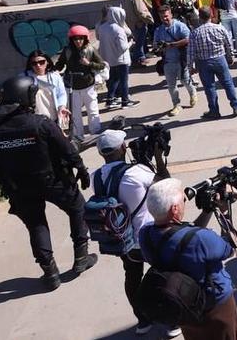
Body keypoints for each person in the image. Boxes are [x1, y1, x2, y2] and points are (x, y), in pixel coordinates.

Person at [0, 76, 98, 290]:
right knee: (77, 208)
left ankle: (50, 272)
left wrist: (10, 188)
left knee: (36, 225)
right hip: (53, 181)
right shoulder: (41, 124)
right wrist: (81, 170)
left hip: (21, 189)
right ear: (25, 98)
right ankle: (81, 256)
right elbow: (68, 150)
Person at [139, 178, 237, 340]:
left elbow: (183, 237)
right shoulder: (201, 239)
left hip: (183, 304)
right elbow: (230, 246)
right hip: (214, 307)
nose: (185, 202)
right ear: (174, 209)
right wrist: (224, 212)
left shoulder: (145, 234)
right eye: (183, 199)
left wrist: (207, 211)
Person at [91, 130, 168, 336]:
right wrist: (158, 158)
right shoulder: (136, 172)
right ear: (123, 148)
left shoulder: (95, 177)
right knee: (166, 274)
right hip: (148, 237)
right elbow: (165, 185)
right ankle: (171, 321)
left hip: (122, 239)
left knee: (132, 277)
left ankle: (143, 320)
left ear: (101, 153)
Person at [188, 8, 237, 119]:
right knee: (228, 83)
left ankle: (214, 111)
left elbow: (190, 52)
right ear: (211, 15)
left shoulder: (195, 33)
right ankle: (236, 106)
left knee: (209, 87)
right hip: (220, 59)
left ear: (200, 17)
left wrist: (191, 67)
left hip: (203, 63)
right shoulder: (219, 28)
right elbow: (228, 44)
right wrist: (230, 57)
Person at [55, 24, 106, 141]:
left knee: (93, 110)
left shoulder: (90, 50)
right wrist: (51, 68)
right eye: (75, 39)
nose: (78, 41)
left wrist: (89, 64)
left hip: (88, 86)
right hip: (72, 87)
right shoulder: (67, 51)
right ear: (71, 40)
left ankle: (95, 132)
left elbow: (102, 65)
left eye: (81, 38)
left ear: (85, 39)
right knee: (75, 114)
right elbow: (60, 64)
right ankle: (78, 135)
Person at [154, 6, 197, 116]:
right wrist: (158, 48)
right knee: (171, 85)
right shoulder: (159, 30)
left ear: (171, 15)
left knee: (185, 81)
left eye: (166, 16)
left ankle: (193, 93)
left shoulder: (180, 26)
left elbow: (188, 39)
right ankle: (176, 105)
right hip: (168, 62)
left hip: (181, 60)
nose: (164, 19)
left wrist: (172, 45)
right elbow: (155, 45)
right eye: (162, 17)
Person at [98, 6, 139, 110]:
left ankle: (110, 100)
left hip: (109, 59)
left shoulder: (102, 27)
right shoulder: (119, 29)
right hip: (121, 60)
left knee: (113, 80)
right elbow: (123, 47)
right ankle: (125, 101)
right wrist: (130, 43)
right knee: (123, 81)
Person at [24, 50, 70, 129]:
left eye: (41, 62)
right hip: (35, 121)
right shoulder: (25, 78)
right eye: (34, 63)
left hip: (53, 119)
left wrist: (61, 107)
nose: (38, 65)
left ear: (47, 62)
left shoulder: (55, 76)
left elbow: (61, 94)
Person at [121, 0, 155, 64]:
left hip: (130, 24)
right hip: (139, 23)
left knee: (138, 41)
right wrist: (150, 20)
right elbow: (141, 12)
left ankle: (140, 57)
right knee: (139, 42)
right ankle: (139, 59)